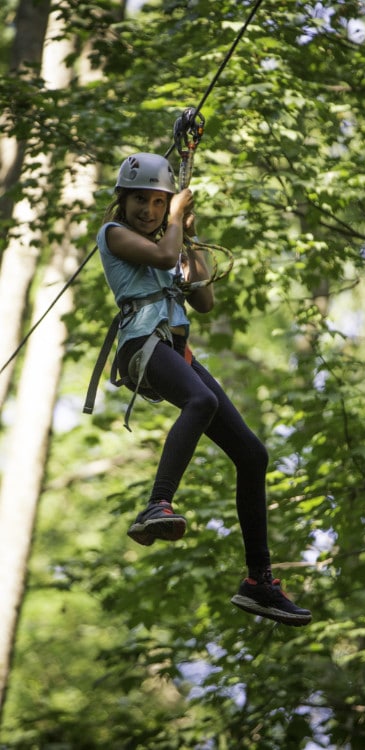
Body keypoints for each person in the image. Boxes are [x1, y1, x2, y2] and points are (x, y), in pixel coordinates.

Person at [96, 152, 311, 627]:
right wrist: (175, 220)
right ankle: (158, 502)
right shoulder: (114, 235)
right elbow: (163, 255)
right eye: (139, 200)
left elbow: (205, 300)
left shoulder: (169, 243)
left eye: (158, 202)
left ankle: (260, 581)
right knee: (203, 400)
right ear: (123, 201)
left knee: (253, 455)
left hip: (175, 350)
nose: (148, 210)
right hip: (141, 345)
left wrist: (189, 230)